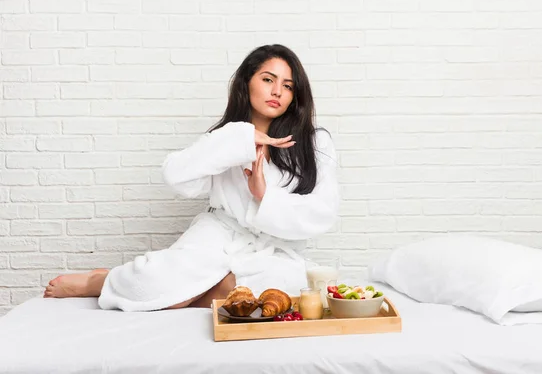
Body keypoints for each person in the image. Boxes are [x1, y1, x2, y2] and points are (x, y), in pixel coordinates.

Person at [43, 44, 339, 311]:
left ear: (294, 96)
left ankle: (180, 295)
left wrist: (264, 196)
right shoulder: (226, 139)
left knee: (292, 285)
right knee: (156, 280)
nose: (277, 91)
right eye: (267, 79)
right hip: (220, 236)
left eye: (287, 86)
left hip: (276, 250)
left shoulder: (315, 143)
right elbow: (175, 176)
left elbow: (323, 214)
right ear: (247, 83)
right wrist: (239, 140)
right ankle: (101, 282)